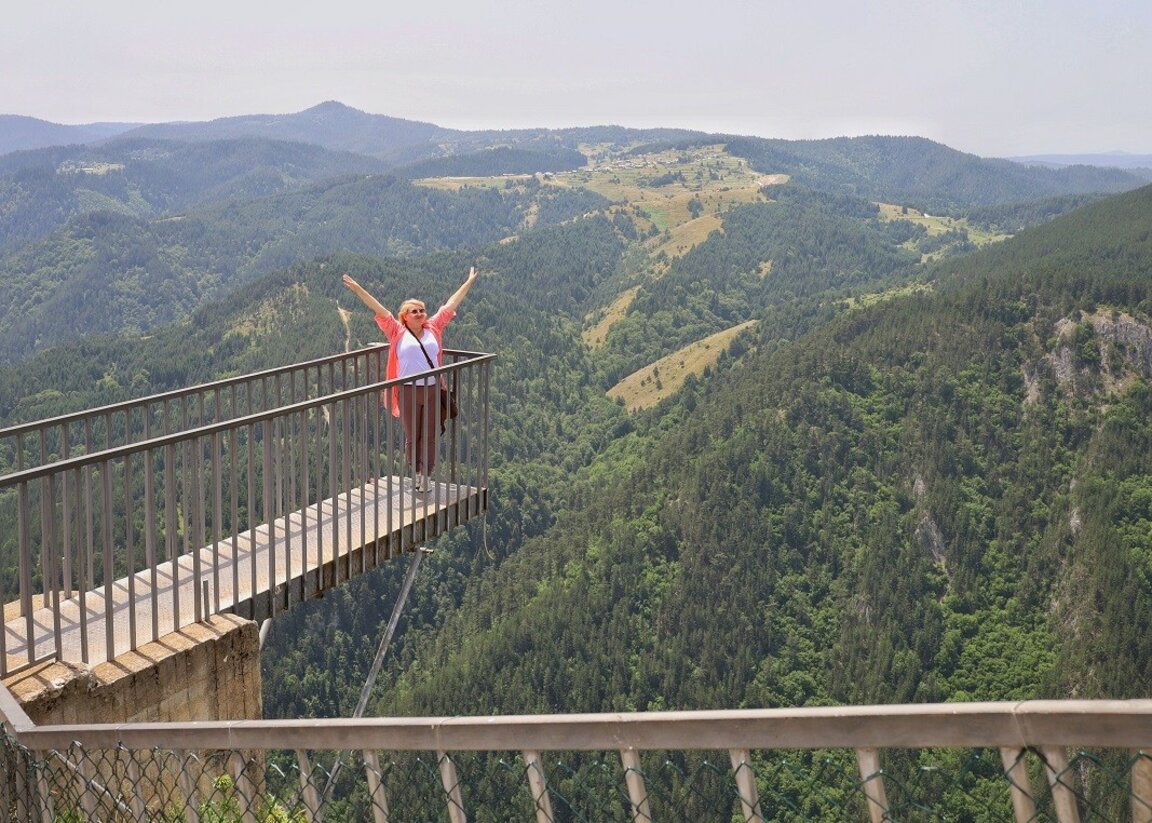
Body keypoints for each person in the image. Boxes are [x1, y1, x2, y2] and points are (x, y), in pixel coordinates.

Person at [342, 267, 479, 492]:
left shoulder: (434, 328)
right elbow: (378, 308)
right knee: (412, 435)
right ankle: (416, 472)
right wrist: (357, 289)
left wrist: (469, 282)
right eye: (414, 311)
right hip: (406, 390)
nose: (419, 314)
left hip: (433, 389)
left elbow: (451, 305)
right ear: (404, 315)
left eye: (422, 310)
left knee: (430, 435)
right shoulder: (396, 331)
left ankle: (426, 475)